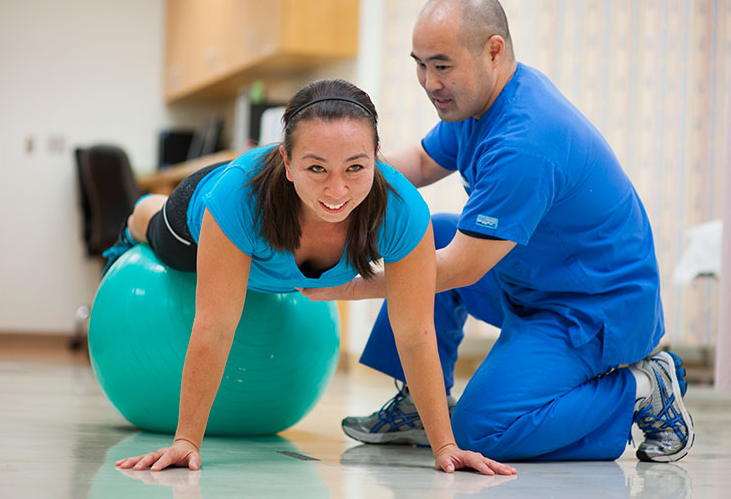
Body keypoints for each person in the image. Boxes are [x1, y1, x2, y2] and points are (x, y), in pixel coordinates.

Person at [302, 0, 695, 463]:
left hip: (591, 311)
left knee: (480, 432)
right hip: (534, 281)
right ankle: (417, 406)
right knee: (435, 231)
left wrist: (343, 286)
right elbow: (421, 162)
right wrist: (337, 176)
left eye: (441, 65)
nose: (428, 82)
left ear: (493, 50)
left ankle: (641, 388)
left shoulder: (525, 140)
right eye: (420, 64)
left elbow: (460, 269)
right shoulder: (477, 102)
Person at [105, 79, 515, 476]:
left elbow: (414, 333)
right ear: (287, 162)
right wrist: (186, 442)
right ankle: (142, 213)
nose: (337, 190)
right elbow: (214, 327)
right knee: (155, 230)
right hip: (196, 221)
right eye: (317, 167)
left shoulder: (401, 211)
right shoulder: (237, 199)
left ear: (376, 157)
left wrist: (445, 447)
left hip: (254, 226)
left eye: (355, 167)